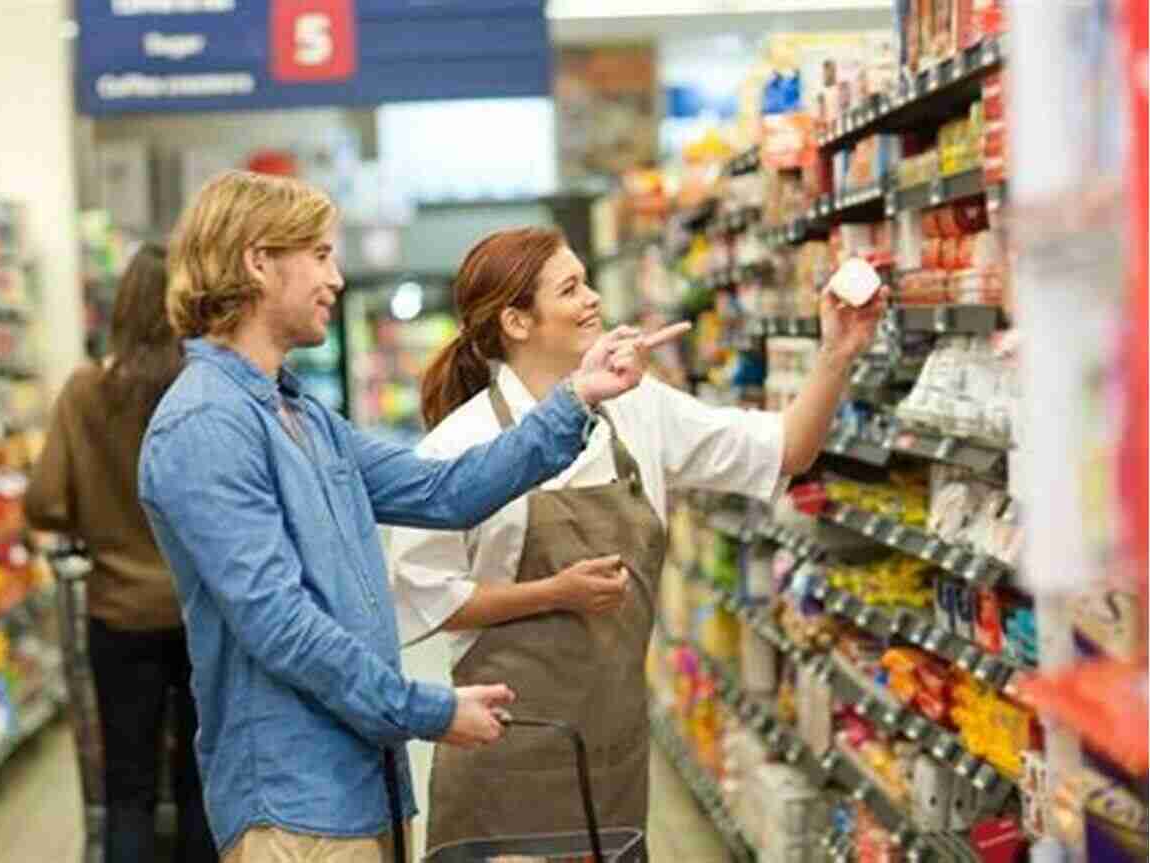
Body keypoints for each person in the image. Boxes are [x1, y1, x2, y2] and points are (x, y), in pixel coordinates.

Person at [135, 171, 684, 863]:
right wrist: (429, 709)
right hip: (292, 801)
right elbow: (279, 625)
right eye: (322, 254)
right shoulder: (205, 425)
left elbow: (445, 490)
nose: (337, 277)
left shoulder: (300, 414)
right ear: (258, 262)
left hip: (361, 779)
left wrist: (575, 398)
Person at [387, 226, 887, 849]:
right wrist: (552, 593)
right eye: (570, 288)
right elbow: (420, 598)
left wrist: (837, 353)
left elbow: (787, 448)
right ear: (517, 322)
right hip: (501, 747)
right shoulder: (460, 446)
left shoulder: (637, 408)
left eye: (587, 279)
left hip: (613, 752)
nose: (595, 298)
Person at [25, 243, 217, 863]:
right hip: (201, 613)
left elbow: (45, 501)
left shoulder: (86, 392)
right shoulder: (205, 390)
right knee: (199, 785)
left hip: (118, 614)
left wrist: (99, 520)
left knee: (127, 791)